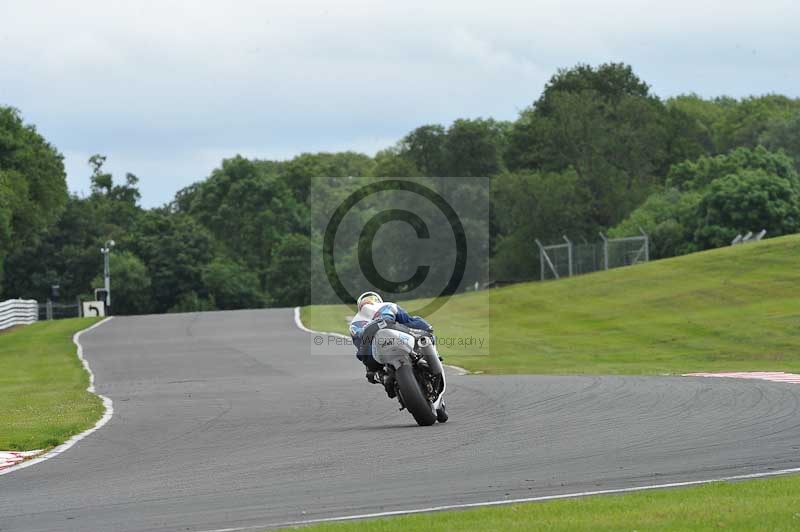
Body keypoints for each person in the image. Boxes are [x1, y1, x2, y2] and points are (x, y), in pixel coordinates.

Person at [349, 291, 433, 386]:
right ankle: (428, 358)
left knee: (370, 372)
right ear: (378, 300)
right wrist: (426, 328)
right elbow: (411, 321)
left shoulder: (354, 323)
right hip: (391, 328)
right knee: (425, 335)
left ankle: (383, 377)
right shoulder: (387, 305)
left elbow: (360, 350)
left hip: (373, 349)